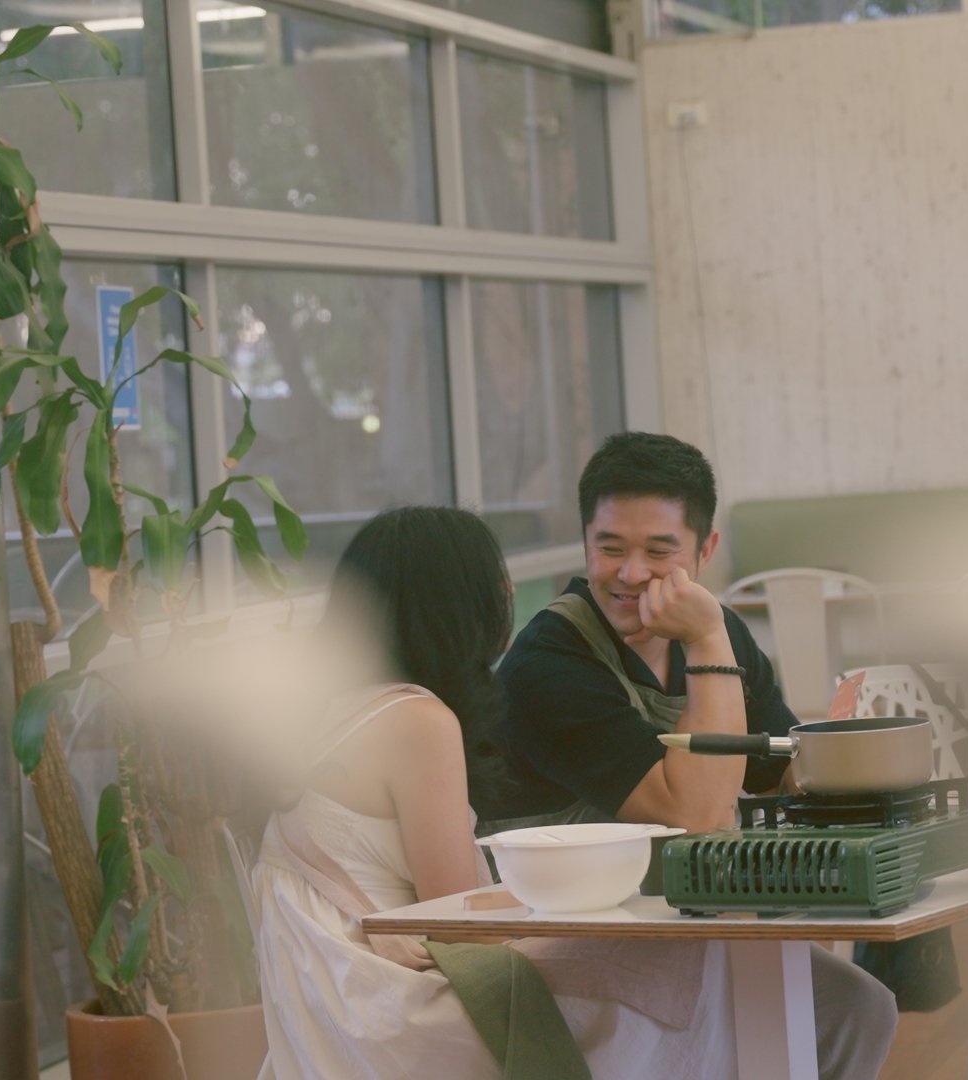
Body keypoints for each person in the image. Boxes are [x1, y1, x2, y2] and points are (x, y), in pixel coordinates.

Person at [251, 506, 740, 1080]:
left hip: (331, 1014)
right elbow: (461, 921)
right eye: (497, 588)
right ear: (464, 608)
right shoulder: (417, 719)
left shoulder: (326, 711)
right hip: (394, 1018)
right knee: (680, 967)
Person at [485, 432, 899, 1077]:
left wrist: (836, 747)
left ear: (704, 550)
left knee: (857, 1006)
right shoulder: (549, 662)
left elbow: (774, 770)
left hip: (667, 916)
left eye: (659, 551)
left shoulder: (718, 629)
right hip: (564, 935)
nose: (629, 574)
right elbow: (696, 817)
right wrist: (707, 636)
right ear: (586, 542)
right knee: (813, 1007)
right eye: (609, 547)